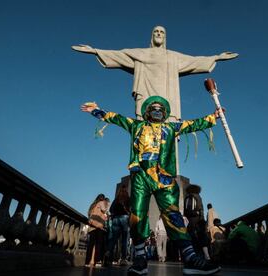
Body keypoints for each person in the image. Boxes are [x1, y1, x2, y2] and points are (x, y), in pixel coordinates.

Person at [81, 95, 222, 275]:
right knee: (137, 214)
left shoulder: (172, 127)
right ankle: (140, 259)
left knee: (173, 214)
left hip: (165, 178)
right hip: (141, 175)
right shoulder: (136, 125)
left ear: (164, 113)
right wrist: (95, 110)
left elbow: (193, 124)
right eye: (153, 108)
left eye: (160, 108)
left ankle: (190, 258)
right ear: (147, 112)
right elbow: (116, 118)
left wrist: (214, 117)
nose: (157, 110)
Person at [73, 26, 237, 121]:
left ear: (165, 37)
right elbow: (119, 55)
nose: (159, 34)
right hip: (145, 96)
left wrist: (217, 57)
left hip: (167, 98)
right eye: (156, 32)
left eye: (162, 32)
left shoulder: (173, 57)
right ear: (152, 36)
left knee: (169, 130)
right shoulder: (140, 54)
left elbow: (194, 61)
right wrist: (94, 51)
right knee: (142, 126)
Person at [184, 184, 211, 260]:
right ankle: (206, 256)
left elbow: (188, 210)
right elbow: (201, 209)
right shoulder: (199, 197)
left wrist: (195, 213)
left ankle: (195, 257)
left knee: (193, 239)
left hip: (193, 221)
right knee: (202, 238)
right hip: (200, 221)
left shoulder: (190, 196)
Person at [106, 184, 130, 266]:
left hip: (116, 219)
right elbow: (131, 209)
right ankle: (123, 259)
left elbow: (111, 209)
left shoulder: (116, 199)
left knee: (113, 239)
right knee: (124, 240)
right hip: (125, 218)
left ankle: (108, 256)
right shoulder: (127, 198)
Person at [85, 193, 107, 267]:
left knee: (90, 244)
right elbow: (104, 210)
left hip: (92, 226)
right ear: (103, 199)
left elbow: (88, 213)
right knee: (98, 244)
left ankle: (87, 262)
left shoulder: (93, 205)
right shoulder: (101, 203)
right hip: (99, 225)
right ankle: (97, 261)